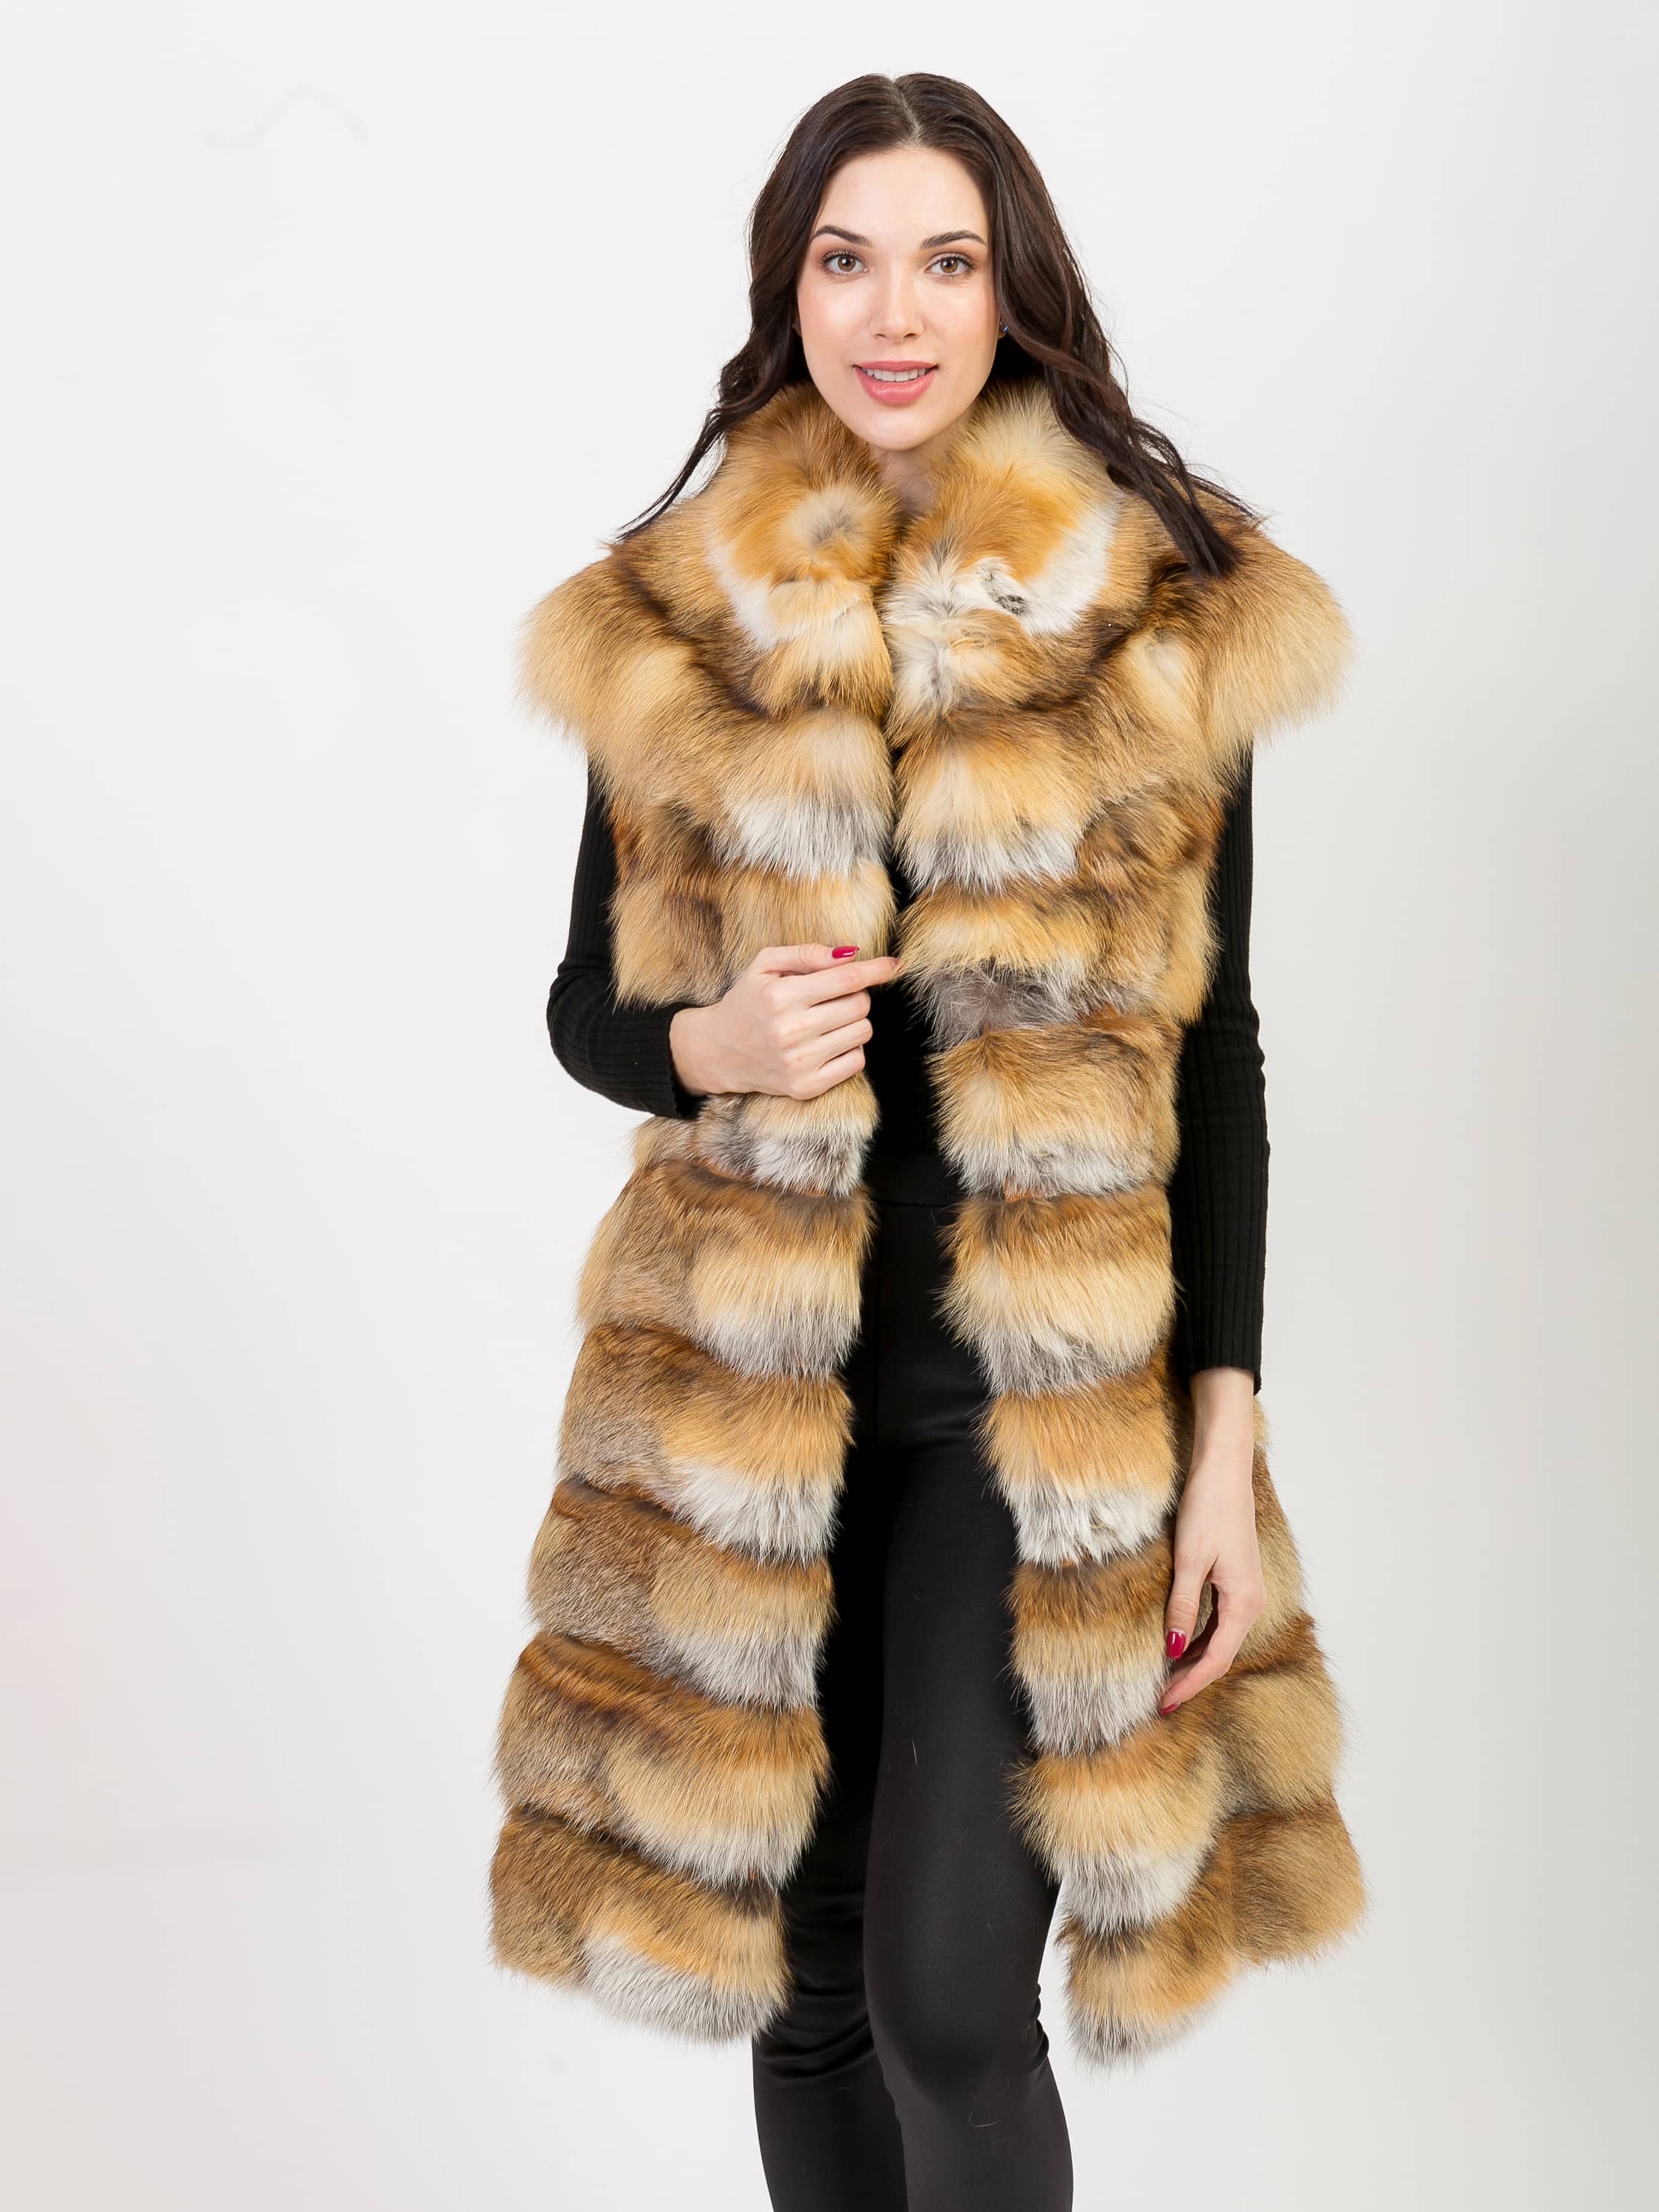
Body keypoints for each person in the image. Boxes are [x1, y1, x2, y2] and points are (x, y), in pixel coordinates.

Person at [489, 71, 1364, 2212]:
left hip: (1029, 1418)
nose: (896, 313)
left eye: (946, 263)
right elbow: (586, 1012)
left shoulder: (1151, 611)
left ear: (1011, 288)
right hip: (746, 1409)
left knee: (952, 2004)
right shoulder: (675, 619)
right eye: (848, 260)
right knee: (804, 1995)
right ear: (787, 291)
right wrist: (709, 1037)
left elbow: (1217, 1051)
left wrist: (1223, 1446)